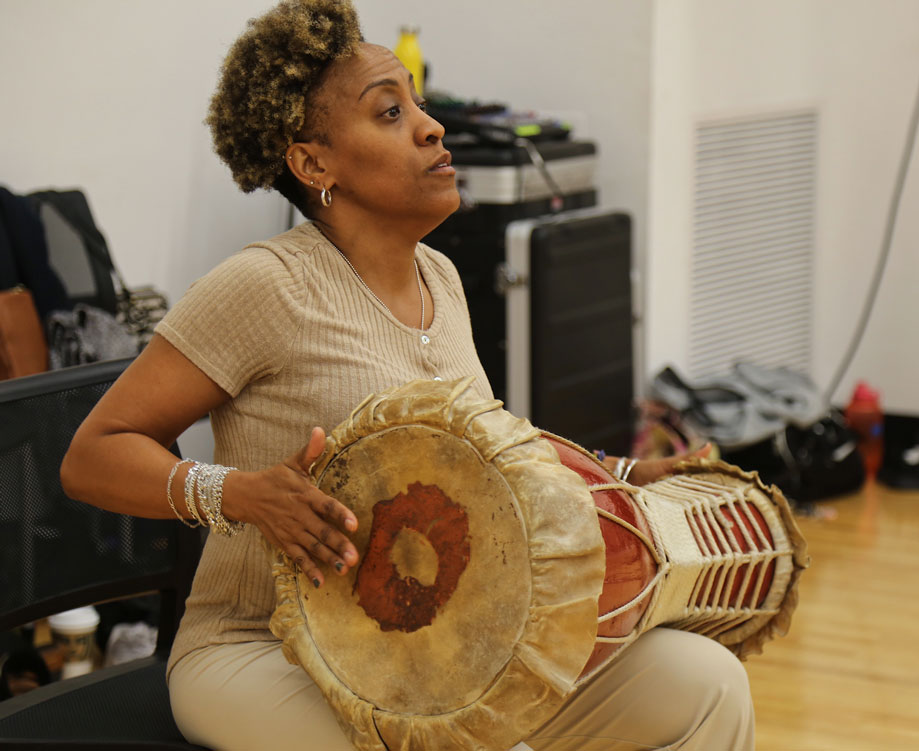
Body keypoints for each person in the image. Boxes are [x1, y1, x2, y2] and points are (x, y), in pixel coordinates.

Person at [60, 1, 754, 748]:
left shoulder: (443, 278)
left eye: (419, 106)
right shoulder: (265, 286)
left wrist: (618, 472)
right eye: (391, 112)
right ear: (313, 163)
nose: (432, 127)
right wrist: (238, 493)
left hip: (435, 648)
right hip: (256, 650)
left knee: (703, 681)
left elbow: (497, 454)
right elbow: (92, 454)